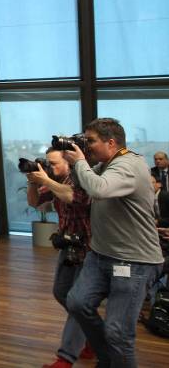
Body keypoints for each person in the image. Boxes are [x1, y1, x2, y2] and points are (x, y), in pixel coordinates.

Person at [63, 118, 163, 367]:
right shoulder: (107, 163)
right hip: (101, 255)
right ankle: (108, 357)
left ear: (111, 142)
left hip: (134, 261)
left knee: (118, 332)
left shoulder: (128, 165)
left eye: (91, 141)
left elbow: (99, 189)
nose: (88, 146)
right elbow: (81, 187)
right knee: (77, 302)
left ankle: (113, 357)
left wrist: (81, 163)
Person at [26, 148, 94, 368]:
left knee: (76, 300)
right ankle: (90, 334)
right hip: (67, 245)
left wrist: (46, 179)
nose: (50, 167)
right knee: (60, 292)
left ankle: (65, 359)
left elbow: (72, 196)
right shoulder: (54, 181)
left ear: (69, 163)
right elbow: (34, 202)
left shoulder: (81, 179)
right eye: (48, 162)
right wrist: (32, 183)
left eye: (54, 163)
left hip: (89, 248)